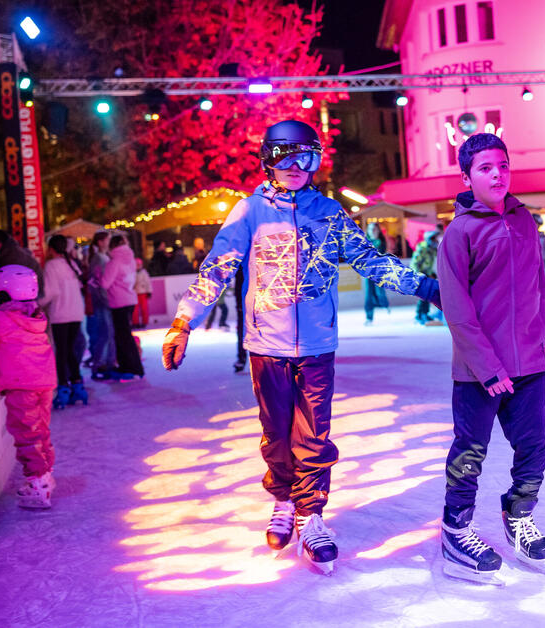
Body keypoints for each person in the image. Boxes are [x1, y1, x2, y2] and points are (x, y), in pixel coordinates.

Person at [161, 120, 440, 575]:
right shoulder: (249, 211)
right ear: (268, 159)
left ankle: (312, 517)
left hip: (315, 345)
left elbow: (370, 260)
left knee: (312, 437)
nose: (296, 167)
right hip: (265, 345)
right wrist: (183, 320)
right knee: (276, 436)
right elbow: (218, 267)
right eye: (285, 157)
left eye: (306, 158)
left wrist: (427, 287)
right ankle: (283, 500)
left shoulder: (329, 213)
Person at [435, 132, 545, 584]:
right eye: (486, 168)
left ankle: (518, 515)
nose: (497, 174)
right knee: (470, 452)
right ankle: (456, 529)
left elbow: (535, 288)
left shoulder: (525, 221)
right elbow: (458, 308)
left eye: (502, 165)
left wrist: (541, 346)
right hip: (477, 371)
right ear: (466, 176)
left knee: (535, 448)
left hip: (529, 364)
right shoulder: (460, 231)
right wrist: (487, 369)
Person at [0, 265, 57, 509]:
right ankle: (45, 474)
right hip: (44, 381)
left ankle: (37, 483)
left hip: (21, 384)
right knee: (40, 428)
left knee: (25, 430)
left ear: (6, 294)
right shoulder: (37, 315)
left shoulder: (2, 318)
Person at [41, 235, 87, 408]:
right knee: (70, 351)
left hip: (61, 314)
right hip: (75, 313)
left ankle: (64, 387)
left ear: (51, 248)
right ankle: (77, 383)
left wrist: (35, 303)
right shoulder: (72, 264)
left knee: (62, 352)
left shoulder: (52, 265)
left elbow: (50, 292)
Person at [100, 234, 144, 381]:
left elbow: (105, 283)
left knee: (122, 336)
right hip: (130, 299)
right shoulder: (130, 259)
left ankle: (130, 367)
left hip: (118, 302)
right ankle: (133, 367)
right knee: (126, 335)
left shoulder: (114, 261)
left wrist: (97, 277)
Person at [85, 232, 116, 376]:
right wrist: (105, 299)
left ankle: (107, 362)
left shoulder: (105, 257)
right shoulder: (98, 258)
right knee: (105, 332)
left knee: (108, 332)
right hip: (103, 301)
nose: (109, 242)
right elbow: (97, 282)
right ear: (100, 242)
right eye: (107, 240)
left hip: (106, 300)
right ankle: (100, 364)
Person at [362, 222, 390, 325]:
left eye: (375, 229)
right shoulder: (365, 241)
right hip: (368, 272)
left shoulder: (381, 242)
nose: (373, 231)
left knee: (380, 292)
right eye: (371, 229)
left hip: (379, 272)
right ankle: (369, 316)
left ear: (378, 230)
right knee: (369, 294)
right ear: (368, 231)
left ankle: (384, 304)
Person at [411, 230, 441, 325]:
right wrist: (418, 275)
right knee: (424, 295)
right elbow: (415, 263)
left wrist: (431, 273)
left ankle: (424, 313)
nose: (435, 241)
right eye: (433, 239)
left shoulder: (432, 249)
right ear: (428, 239)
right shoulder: (422, 248)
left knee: (428, 294)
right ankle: (420, 314)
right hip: (420, 274)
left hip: (427, 273)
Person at [133, 257, 152, 328]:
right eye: (136, 264)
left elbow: (148, 283)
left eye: (139, 264)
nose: (138, 266)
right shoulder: (133, 273)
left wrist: (149, 291)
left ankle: (145, 322)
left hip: (143, 293)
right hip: (135, 293)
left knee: (144, 308)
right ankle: (135, 322)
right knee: (135, 310)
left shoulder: (144, 273)